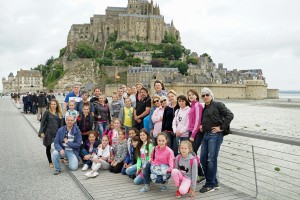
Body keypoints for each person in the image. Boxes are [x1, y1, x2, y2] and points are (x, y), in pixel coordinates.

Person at [199, 87, 234, 193]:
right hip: (205, 135)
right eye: (203, 95)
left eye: (207, 95)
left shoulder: (218, 104)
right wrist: (202, 125)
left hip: (215, 136)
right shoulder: (205, 107)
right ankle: (214, 182)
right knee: (202, 159)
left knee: (211, 160)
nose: (205, 97)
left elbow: (230, 115)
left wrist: (221, 128)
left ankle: (210, 184)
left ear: (211, 95)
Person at [38, 99, 63, 168]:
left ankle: (59, 158)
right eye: (52, 104)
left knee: (58, 146)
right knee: (48, 146)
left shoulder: (59, 113)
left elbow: (61, 124)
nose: (53, 105)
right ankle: (50, 161)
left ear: (57, 105)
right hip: (48, 132)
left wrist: (61, 133)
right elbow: (42, 123)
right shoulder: (47, 112)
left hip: (57, 132)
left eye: (54, 104)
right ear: (50, 105)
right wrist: (41, 132)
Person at [187, 89, 203, 155]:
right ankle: (195, 165)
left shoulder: (197, 105)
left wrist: (193, 135)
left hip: (196, 133)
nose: (191, 96)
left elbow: (197, 121)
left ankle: (197, 165)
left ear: (196, 96)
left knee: (192, 152)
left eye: (192, 94)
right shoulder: (192, 105)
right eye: (189, 95)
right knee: (191, 152)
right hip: (191, 131)